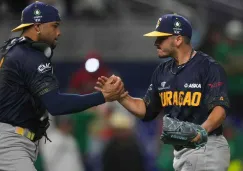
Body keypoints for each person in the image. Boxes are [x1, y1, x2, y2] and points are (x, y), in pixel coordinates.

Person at [96, 14, 231, 171]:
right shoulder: (162, 71)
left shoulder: (208, 67)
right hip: (181, 151)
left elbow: (220, 109)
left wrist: (202, 130)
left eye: (161, 38)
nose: (156, 43)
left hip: (207, 147)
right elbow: (146, 110)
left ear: (178, 39)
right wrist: (121, 96)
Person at [0, 1, 124, 171]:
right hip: (9, 142)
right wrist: (102, 96)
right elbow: (56, 104)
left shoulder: (10, 51)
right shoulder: (30, 56)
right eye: (55, 26)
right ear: (37, 27)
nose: (59, 32)